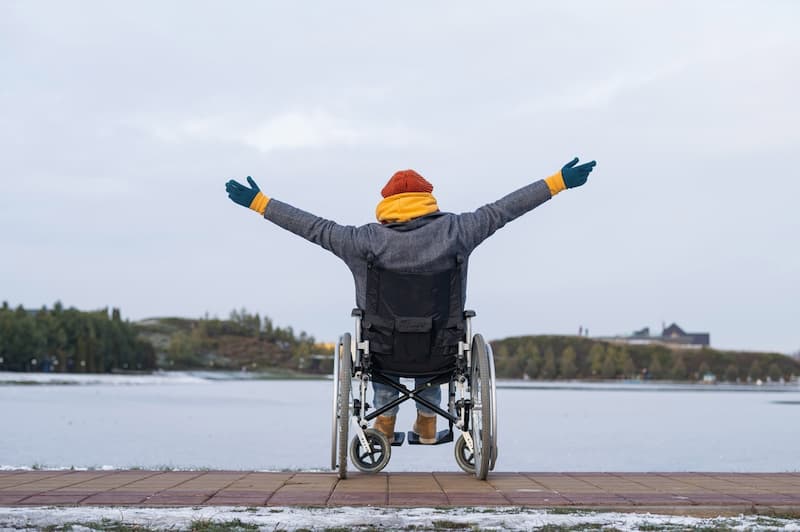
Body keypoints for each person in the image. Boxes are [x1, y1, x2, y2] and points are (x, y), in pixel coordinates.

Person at [225, 157, 597, 443]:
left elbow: (313, 227)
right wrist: (557, 182)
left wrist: (261, 202)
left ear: (387, 204)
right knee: (435, 344)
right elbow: (504, 210)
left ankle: (383, 422)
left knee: (380, 348)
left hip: (383, 349)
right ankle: (428, 421)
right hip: (442, 349)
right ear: (427, 200)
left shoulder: (361, 241)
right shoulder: (458, 231)